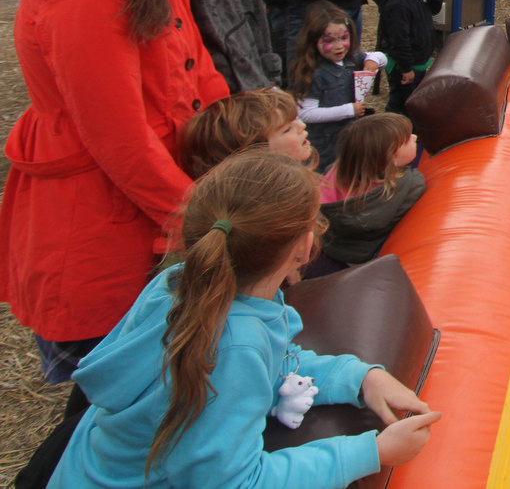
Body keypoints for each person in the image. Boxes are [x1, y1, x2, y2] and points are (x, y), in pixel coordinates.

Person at [48, 149, 438, 488]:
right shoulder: (236, 346)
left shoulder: (180, 282)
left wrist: (357, 377)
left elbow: (275, 362)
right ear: (304, 247)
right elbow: (235, 482)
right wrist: (372, 452)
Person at [0, 0, 227, 383]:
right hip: (103, 228)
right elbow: (117, 137)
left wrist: (245, 147)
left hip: (154, 204)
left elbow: (199, 75)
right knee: (117, 402)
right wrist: (210, 223)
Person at [313, 114, 426, 272]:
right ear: (391, 157)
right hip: (368, 255)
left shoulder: (336, 171)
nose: (414, 137)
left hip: (334, 247)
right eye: (407, 140)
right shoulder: (410, 183)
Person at [289, 2, 385, 172]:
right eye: (329, 41)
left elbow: (381, 57)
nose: (339, 46)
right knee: (327, 176)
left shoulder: (350, 59)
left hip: (347, 137)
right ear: (313, 41)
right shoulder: (313, 73)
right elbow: (306, 113)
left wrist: (373, 60)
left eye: (343, 38)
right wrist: (349, 110)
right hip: (324, 144)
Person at [372, 0, 444, 114]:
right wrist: (406, 68)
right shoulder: (397, 4)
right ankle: (393, 128)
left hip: (418, 62)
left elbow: (434, 9)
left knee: (413, 100)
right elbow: (398, 39)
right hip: (404, 66)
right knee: (401, 105)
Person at [179, 89, 315, 178]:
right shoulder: (272, 207)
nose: (302, 126)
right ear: (254, 153)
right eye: (287, 129)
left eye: (296, 119)